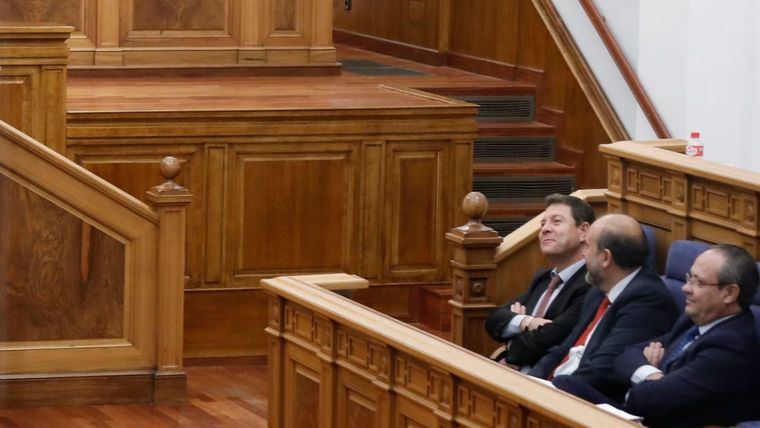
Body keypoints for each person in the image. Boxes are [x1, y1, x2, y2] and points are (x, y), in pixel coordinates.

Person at [529, 214, 678, 404]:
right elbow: (564, 348)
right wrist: (531, 382)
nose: (583, 254)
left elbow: (604, 369)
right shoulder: (599, 288)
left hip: (588, 402)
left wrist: (546, 395)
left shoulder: (648, 300)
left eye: (588, 247)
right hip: (559, 387)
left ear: (605, 257)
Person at [614, 244, 760, 427]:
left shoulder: (730, 348)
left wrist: (647, 385)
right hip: (638, 415)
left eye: (698, 282)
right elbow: (625, 354)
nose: (686, 288)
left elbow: (649, 401)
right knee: (570, 387)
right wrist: (652, 374)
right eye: (689, 278)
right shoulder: (695, 320)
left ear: (730, 293)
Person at [485, 194, 594, 368]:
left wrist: (513, 337)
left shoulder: (590, 282)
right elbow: (493, 319)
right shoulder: (544, 278)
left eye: (556, 222)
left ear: (584, 231)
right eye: (543, 223)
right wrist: (527, 322)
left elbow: (552, 337)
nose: (545, 229)